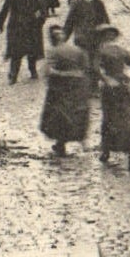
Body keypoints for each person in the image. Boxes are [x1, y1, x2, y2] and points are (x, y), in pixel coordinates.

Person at [39, 24, 91, 158]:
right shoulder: (77, 50)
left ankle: (61, 143)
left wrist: (56, 76)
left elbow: (47, 71)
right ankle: (82, 139)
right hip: (77, 86)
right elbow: (86, 68)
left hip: (60, 87)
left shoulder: (53, 51)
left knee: (60, 115)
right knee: (76, 112)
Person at [96, 26, 130, 171]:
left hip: (109, 90)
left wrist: (106, 79)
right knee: (126, 120)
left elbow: (95, 70)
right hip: (124, 88)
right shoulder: (123, 51)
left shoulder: (101, 51)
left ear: (103, 38)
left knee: (108, 119)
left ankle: (106, 150)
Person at [0, 0, 43, 82]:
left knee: (31, 52)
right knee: (15, 53)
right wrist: (0, 23)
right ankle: (13, 75)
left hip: (30, 26)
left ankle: (33, 71)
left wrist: (40, 21)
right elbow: (5, 10)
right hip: (16, 27)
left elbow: (41, 9)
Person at [61, 0, 110, 81]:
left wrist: (106, 36)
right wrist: (63, 38)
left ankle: (94, 86)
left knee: (95, 65)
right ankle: (85, 87)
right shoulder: (76, 3)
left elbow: (105, 21)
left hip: (95, 39)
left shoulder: (98, 3)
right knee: (84, 63)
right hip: (81, 39)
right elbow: (69, 22)